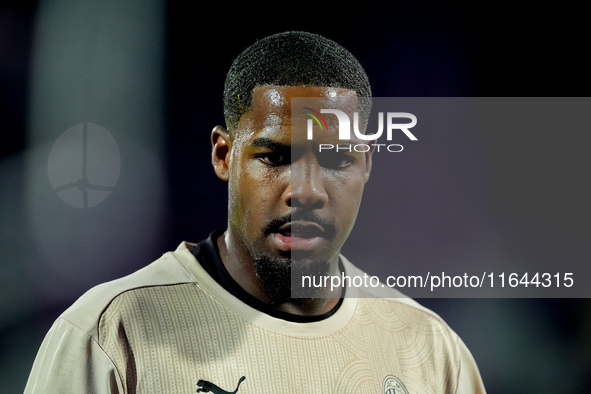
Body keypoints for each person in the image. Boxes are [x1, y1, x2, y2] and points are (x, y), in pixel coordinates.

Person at [25, 31, 486, 393]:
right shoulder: (110, 333)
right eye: (275, 157)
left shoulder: (428, 347)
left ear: (365, 164)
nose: (306, 191)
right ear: (224, 155)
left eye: (335, 160)